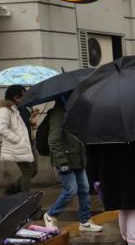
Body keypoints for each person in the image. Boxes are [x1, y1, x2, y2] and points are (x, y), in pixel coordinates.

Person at [42, 99, 103, 233]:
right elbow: (53, 140)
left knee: (85, 188)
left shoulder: (74, 111)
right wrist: (62, 162)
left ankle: (85, 221)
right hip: (65, 160)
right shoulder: (58, 113)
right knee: (70, 190)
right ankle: (50, 214)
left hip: (77, 158)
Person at [0, 85, 35, 193]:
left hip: (29, 144)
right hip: (18, 145)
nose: (25, 97)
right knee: (27, 172)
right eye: (23, 96)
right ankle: (25, 199)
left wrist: (32, 123)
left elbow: (21, 125)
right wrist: (17, 139)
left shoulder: (21, 107)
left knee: (34, 171)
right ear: (15, 97)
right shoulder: (5, 109)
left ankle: (12, 189)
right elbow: (0, 128)